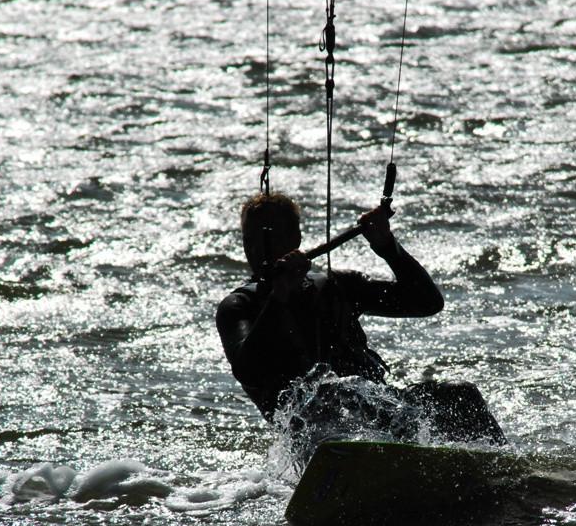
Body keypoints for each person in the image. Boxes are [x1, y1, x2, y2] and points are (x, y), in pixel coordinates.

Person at [215, 191, 505, 453]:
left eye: (269, 236)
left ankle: (502, 470)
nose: (257, 250)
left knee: (461, 396)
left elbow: (426, 302)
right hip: (314, 432)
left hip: (377, 408)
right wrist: (278, 298)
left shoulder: (337, 285)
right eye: (249, 240)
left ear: (296, 240)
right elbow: (247, 368)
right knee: (336, 402)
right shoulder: (238, 307)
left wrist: (388, 247)